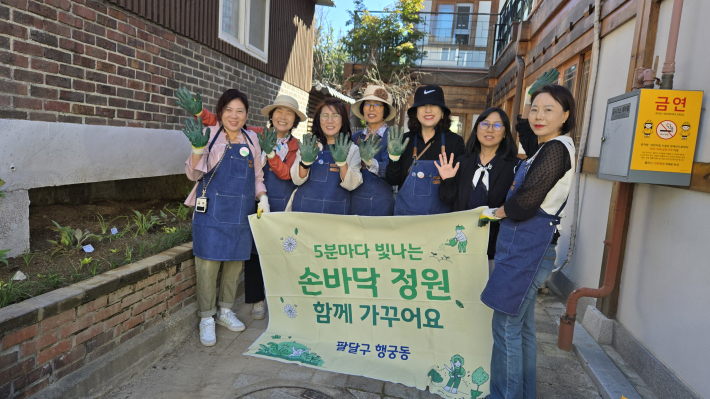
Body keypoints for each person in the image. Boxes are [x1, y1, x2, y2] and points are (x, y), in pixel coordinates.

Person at [478, 84, 577, 399]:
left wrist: (497, 212)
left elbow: (525, 203)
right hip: (527, 248)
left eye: (548, 109)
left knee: (505, 326)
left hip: (528, 249)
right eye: (535, 108)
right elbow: (524, 131)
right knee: (521, 328)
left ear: (565, 115)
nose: (538, 115)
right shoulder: (546, 146)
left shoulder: (557, 148)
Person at [182, 88, 270, 347]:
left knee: (234, 265)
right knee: (208, 265)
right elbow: (193, 175)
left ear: (246, 115)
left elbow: (257, 177)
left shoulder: (251, 140)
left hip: (240, 213)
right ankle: (206, 318)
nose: (234, 115)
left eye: (240, 111)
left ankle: (225, 311)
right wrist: (198, 149)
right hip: (211, 211)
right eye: (229, 110)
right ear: (220, 113)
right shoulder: (209, 135)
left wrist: (262, 196)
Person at [436, 108, 520, 273]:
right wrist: (447, 180)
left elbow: (516, 204)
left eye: (497, 125)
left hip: (495, 246)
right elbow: (447, 199)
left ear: (505, 133)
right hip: (462, 242)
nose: (489, 129)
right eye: (485, 124)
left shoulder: (515, 166)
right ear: (476, 130)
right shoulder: (462, 162)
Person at [385, 84, 465, 215]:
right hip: (406, 219)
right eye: (422, 105)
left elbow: (456, 193)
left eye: (434, 105)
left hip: (439, 221)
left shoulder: (455, 142)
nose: (428, 110)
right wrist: (393, 158)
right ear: (415, 112)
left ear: (443, 111)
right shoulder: (404, 140)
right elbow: (393, 181)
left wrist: (448, 181)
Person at [289, 98, 362, 214]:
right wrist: (305, 163)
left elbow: (352, 185)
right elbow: (296, 180)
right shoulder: (308, 146)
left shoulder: (352, 149)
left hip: (335, 213)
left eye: (335, 115)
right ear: (318, 120)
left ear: (343, 120)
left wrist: (342, 163)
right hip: (304, 211)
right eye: (325, 115)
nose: (330, 121)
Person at [349, 85, 396, 216]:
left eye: (377, 104)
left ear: (385, 110)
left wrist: (370, 162)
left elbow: (392, 173)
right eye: (367, 104)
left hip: (380, 204)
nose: (371, 108)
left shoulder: (392, 137)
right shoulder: (355, 137)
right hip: (354, 203)